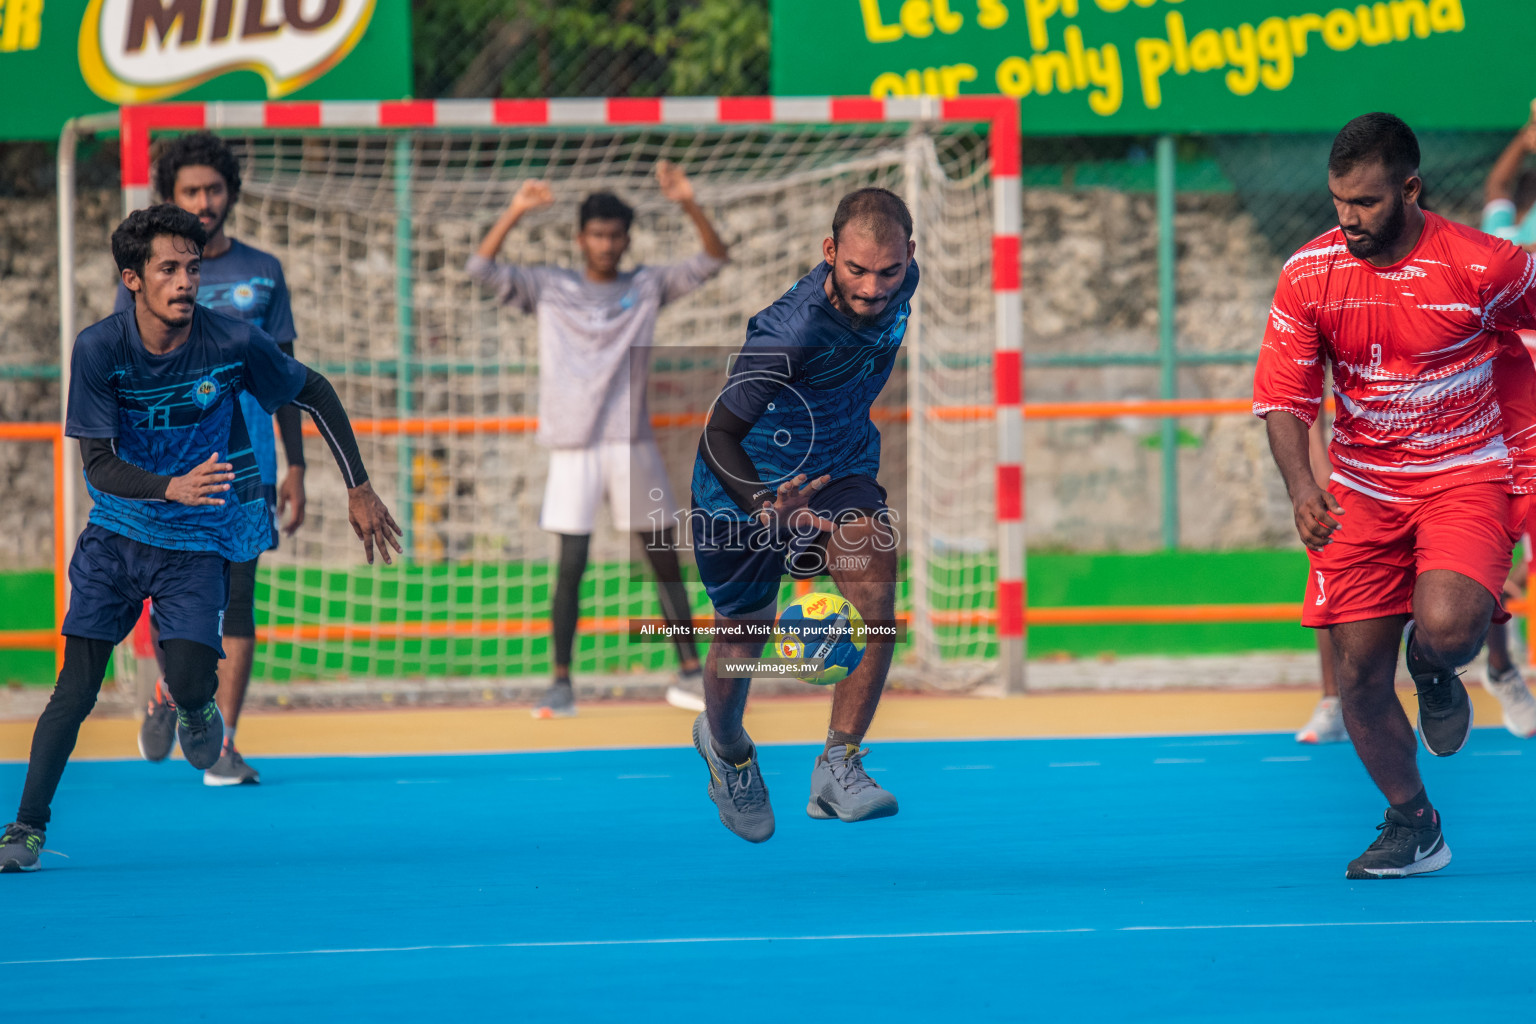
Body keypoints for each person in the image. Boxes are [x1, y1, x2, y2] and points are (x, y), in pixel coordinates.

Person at [0, 205, 400, 873]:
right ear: (133, 279)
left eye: (193, 267)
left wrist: (356, 486)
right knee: (75, 689)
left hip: (197, 542)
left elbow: (315, 391)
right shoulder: (99, 348)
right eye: (169, 269)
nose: (186, 281)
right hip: (118, 538)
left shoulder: (233, 342)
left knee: (187, 677)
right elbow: (98, 464)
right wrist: (168, 486)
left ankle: (192, 708)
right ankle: (26, 829)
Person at [1254, 113, 1536, 879]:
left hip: (1466, 475)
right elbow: (1284, 397)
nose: (1348, 218)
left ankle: (1440, 669)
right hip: (1363, 491)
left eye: (1367, 203)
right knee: (1358, 678)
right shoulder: (1308, 274)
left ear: (1410, 189)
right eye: (1338, 201)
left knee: (1445, 629)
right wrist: (1303, 487)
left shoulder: (1487, 265)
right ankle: (1415, 824)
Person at [687, 186, 915, 843]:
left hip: (839, 469)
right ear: (829, 254)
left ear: (910, 259)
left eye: (889, 272)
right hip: (744, 486)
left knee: (876, 588)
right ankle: (726, 750)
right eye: (856, 271)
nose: (874, 290)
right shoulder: (791, 331)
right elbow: (717, 435)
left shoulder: (905, 279)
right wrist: (765, 507)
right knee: (744, 638)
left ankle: (838, 764)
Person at [468, 162, 727, 718]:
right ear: (580, 237)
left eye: (615, 235)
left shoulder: (646, 285)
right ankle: (560, 682)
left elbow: (711, 259)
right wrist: (516, 208)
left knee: (662, 557)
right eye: (597, 234)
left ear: (627, 240)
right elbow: (480, 266)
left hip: (630, 442)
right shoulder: (550, 285)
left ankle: (689, 672)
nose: (606, 244)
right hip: (572, 446)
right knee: (572, 563)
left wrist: (687, 201)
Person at [118, 132, 309, 786]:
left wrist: (299, 467)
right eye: (190, 191)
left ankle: (224, 745)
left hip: (248, 464)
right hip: (172, 469)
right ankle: (177, 687)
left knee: (238, 601)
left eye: (213, 188)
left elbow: (287, 380)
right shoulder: (148, 276)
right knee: (179, 597)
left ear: (230, 192)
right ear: (170, 198)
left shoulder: (264, 272)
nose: (204, 201)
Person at [1473, 107, 1536, 738]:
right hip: (1509, 420)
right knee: (1494, 558)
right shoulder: (1507, 240)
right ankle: (1499, 665)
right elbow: (1497, 188)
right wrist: (1524, 136)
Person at [1295, 413, 1348, 744]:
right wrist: (1316, 477)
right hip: (1344, 476)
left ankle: (1436, 680)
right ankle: (1333, 700)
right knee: (1329, 579)